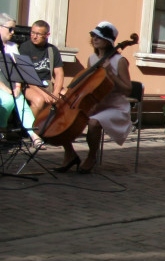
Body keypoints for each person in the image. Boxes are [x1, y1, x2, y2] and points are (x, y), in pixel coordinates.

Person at [53, 22, 133, 174]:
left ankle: (91, 156)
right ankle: (70, 154)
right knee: (64, 117)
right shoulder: (92, 58)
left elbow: (127, 89)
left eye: (99, 36)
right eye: (93, 36)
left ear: (109, 41)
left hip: (115, 106)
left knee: (94, 122)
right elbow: (90, 83)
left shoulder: (120, 61)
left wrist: (110, 74)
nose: (95, 39)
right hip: (96, 102)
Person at [0, 15, 42, 147]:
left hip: (12, 84)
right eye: (10, 29)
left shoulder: (13, 47)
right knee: (7, 100)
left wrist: (17, 87)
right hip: (2, 86)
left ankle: (34, 135)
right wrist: (7, 89)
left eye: (14, 29)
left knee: (20, 101)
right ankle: (2, 130)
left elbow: (18, 70)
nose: (13, 32)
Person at [19, 20, 65, 117]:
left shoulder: (52, 50)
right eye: (33, 33)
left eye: (38, 34)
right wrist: (44, 94)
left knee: (66, 96)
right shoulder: (24, 48)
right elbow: (27, 77)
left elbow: (59, 73)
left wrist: (56, 93)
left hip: (47, 84)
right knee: (39, 100)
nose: (34, 36)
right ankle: (29, 129)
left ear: (47, 35)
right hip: (30, 85)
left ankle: (56, 129)